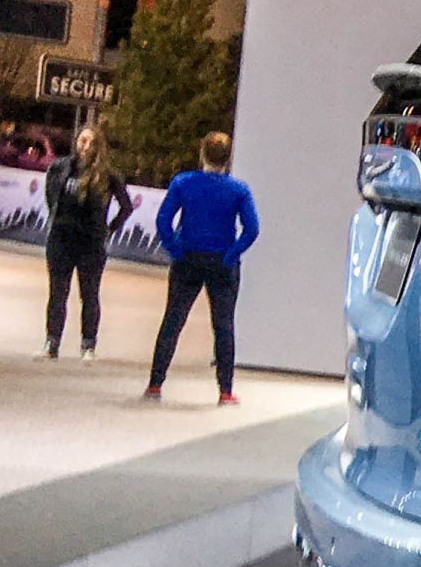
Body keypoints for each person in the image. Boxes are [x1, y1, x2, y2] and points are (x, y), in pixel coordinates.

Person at [146, 131, 259, 406]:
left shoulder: (183, 182)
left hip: (188, 258)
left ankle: (155, 383)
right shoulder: (239, 190)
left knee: (173, 320)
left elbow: (163, 220)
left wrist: (175, 248)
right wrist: (231, 255)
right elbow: (252, 229)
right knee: (223, 325)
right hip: (221, 262)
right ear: (228, 158)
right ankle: (225, 390)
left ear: (202, 154)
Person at [40, 122, 134, 359]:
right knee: (57, 292)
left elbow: (126, 206)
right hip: (61, 238)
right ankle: (52, 342)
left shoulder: (108, 176)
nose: (86, 146)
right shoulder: (61, 168)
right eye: (83, 141)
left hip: (90, 243)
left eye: (92, 143)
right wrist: (55, 215)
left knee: (89, 294)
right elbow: (50, 192)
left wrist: (109, 229)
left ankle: (88, 343)